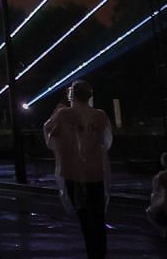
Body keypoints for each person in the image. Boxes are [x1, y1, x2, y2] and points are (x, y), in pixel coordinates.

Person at [44, 80, 112, 258]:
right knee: (98, 217)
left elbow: (50, 138)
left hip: (71, 171)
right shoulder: (100, 115)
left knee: (84, 216)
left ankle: (92, 251)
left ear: (71, 95)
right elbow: (107, 142)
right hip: (95, 172)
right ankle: (99, 252)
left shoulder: (63, 114)